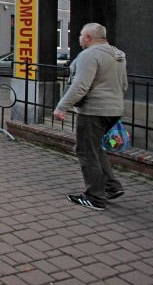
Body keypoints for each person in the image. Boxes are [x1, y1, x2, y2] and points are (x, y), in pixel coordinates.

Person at [53, 23, 127, 211]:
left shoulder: (89, 55)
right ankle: (111, 186)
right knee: (95, 148)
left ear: (88, 37)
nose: (78, 38)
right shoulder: (118, 55)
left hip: (94, 110)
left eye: (79, 34)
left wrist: (62, 107)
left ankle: (95, 197)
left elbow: (80, 86)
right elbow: (124, 84)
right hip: (114, 110)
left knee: (86, 151)